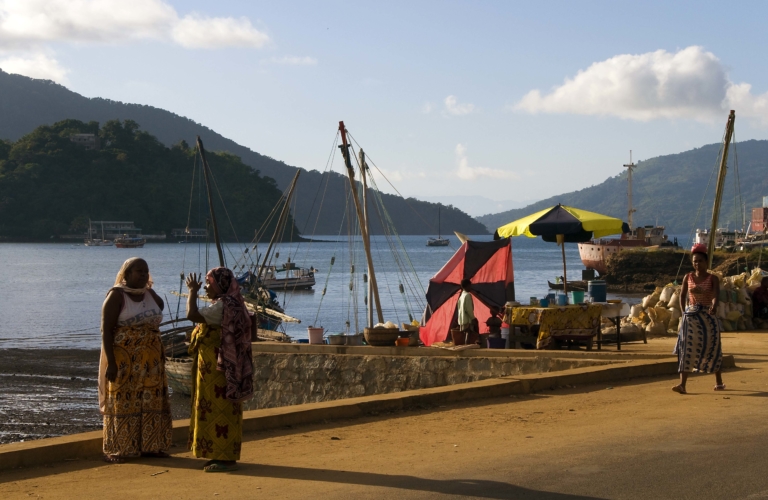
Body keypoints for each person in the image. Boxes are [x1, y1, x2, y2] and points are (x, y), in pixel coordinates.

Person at [99, 257, 172, 463]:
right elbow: (106, 331)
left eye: (146, 271)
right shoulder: (116, 295)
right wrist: (111, 363)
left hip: (151, 362)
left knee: (152, 401)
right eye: (139, 271)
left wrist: (149, 290)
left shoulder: (148, 293)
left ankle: (151, 445)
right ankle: (119, 448)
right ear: (126, 274)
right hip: (125, 361)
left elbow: (159, 306)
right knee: (123, 403)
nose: (143, 275)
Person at [185, 268, 254, 473]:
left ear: (220, 285)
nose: (206, 287)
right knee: (223, 410)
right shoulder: (234, 303)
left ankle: (225, 457)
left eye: (209, 284)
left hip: (217, 371)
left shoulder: (223, 305)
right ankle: (220, 453)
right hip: (224, 368)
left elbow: (192, 314)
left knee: (218, 409)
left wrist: (192, 291)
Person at [672, 244, 724, 394]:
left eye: (700, 261)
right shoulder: (687, 277)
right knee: (686, 349)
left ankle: (719, 381)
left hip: (708, 317)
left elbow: (715, 295)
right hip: (691, 317)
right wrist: (684, 311)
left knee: (712, 348)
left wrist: (713, 306)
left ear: (706, 262)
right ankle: (682, 385)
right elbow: (682, 295)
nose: (697, 264)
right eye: (695, 261)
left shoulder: (713, 278)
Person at [457, 279, 478, 343]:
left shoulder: (461, 296)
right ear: (467, 286)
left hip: (462, 319)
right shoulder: (467, 295)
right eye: (470, 286)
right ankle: (468, 346)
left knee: (465, 334)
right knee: (468, 333)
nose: (471, 287)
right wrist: (473, 318)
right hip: (467, 319)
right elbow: (469, 309)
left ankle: (466, 346)